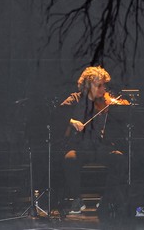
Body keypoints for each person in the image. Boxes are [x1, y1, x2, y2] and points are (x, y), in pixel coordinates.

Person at [59, 66, 128, 214]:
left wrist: (119, 109)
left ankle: (106, 199)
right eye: (100, 85)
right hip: (80, 147)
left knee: (119, 158)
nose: (104, 89)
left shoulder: (105, 102)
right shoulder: (75, 99)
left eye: (104, 85)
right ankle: (77, 199)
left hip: (100, 146)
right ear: (89, 85)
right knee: (70, 159)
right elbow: (58, 115)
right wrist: (72, 121)